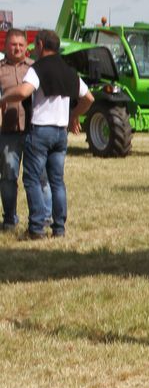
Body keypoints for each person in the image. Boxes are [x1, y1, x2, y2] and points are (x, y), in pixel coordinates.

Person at [0, 29, 93, 240]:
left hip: (40, 130)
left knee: (32, 180)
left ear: (40, 45)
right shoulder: (69, 71)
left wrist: (4, 98)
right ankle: (58, 228)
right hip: (60, 133)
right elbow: (88, 98)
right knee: (57, 181)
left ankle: (36, 227)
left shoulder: (37, 68)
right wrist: (72, 115)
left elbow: (23, 92)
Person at [0, 29, 34, 230]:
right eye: (13, 44)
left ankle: (39, 219)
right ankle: (10, 219)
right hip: (8, 132)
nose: (18, 48)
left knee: (36, 177)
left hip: (32, 131)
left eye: (21, 45)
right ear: (5, 46)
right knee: (8, 178)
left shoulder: (34, 69)